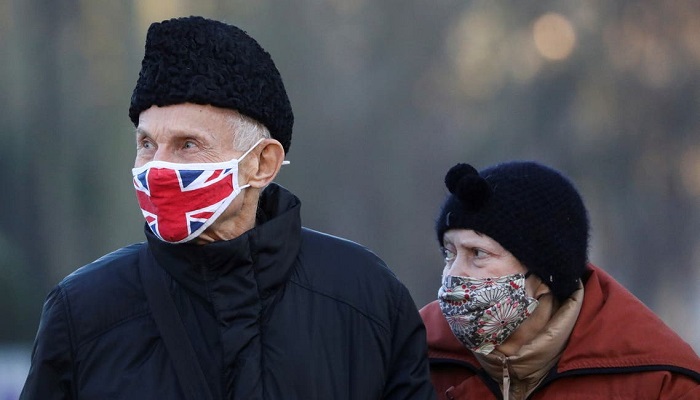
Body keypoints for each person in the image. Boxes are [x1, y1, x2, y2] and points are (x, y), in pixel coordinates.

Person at [20, 16, 435, 400]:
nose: (159, 168)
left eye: (187, 145)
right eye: (147, 144)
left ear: (261, 164)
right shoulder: (83, 310)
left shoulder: (364, 296)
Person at [419, 161, 700, 399]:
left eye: (477, 253)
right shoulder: (416, 355)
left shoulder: (658, 382)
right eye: (449, 253)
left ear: (545, 274)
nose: (454, 273)